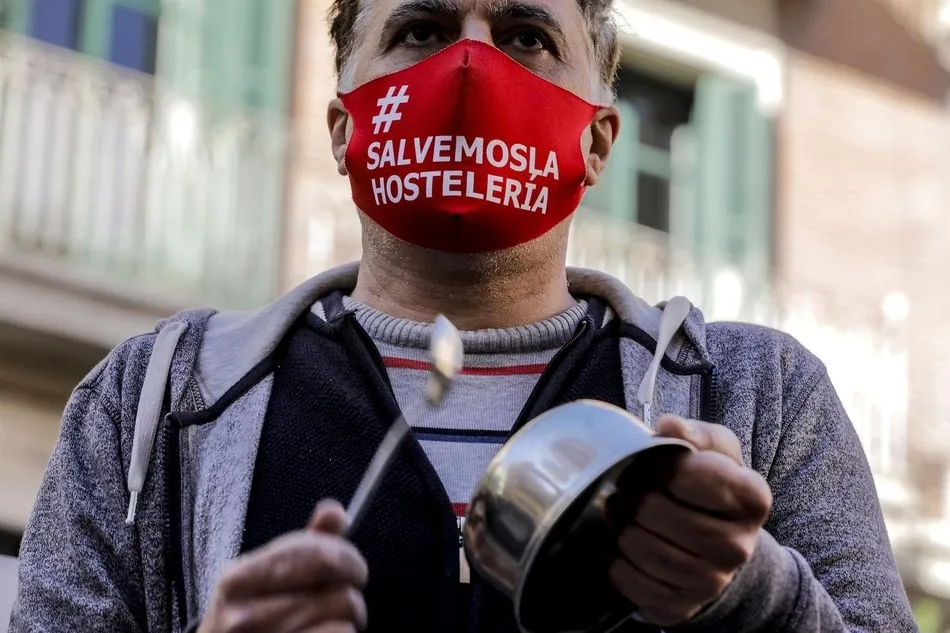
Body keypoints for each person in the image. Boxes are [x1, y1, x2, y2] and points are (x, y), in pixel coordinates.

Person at [9, 0, 917, 630]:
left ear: (598, 139)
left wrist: (750, 594)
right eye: (421, 29)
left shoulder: (762, 395)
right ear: (341, 127)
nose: (471, 68)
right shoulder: (153, 403)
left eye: (525, 34)